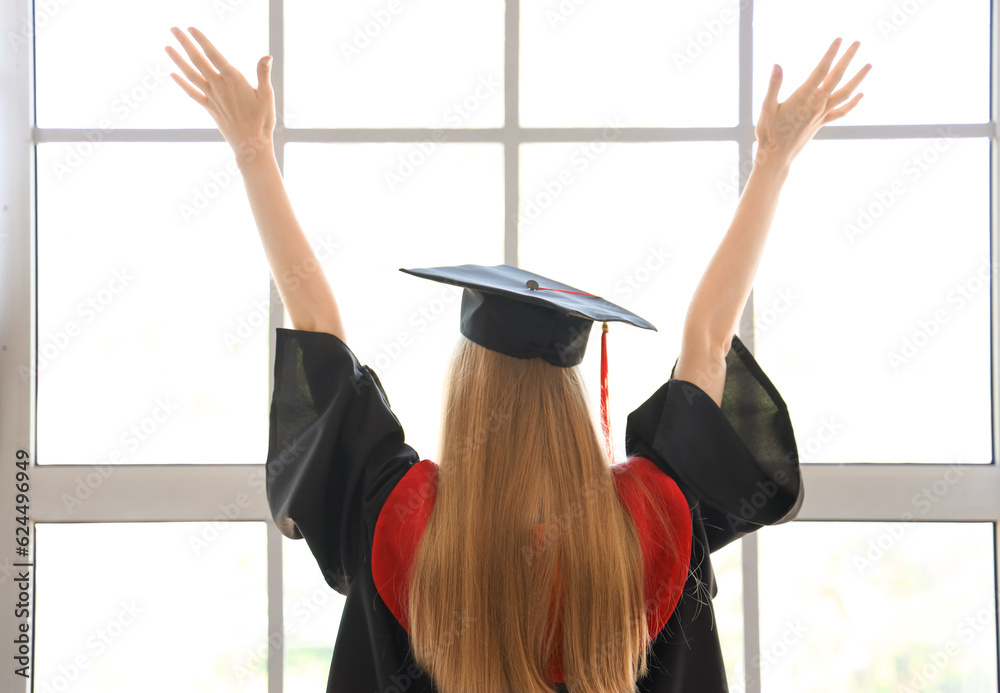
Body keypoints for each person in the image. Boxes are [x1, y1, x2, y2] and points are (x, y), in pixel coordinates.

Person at [166, 27, 871, 693]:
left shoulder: (403, 520)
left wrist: (253, 149)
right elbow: (709, 340)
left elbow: (318, 328)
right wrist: (775, 159)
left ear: (466, 395)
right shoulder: (649, 522)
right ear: (568, 401)